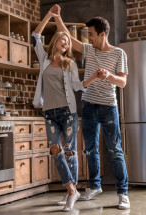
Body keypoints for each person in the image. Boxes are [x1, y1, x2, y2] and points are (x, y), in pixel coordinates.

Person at [52, 4, 130, 210]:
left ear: (102, 34)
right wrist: (57, 17)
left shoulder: (119, 54)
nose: (89, 38)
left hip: (108, 107)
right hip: (88, 106)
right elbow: (68, 36)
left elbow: (122, 82)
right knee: (90, 150)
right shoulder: (89, 49)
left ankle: (123, 193)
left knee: (115, 150)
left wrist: (109, 76)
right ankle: (95, 186)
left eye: (92, 34)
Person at [32, 7, 100, 212]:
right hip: (50, 112)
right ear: (55, 41)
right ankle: (72, 189)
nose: (67, 43)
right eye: (64, 39)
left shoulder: (69, 63)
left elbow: (77, 87)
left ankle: (71, 191)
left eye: (69, 41)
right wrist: (50, 16)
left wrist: (94, 77)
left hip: (68, 113)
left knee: (70, 152)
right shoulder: (44, 59)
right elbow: (35, 35)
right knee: (55, 150)